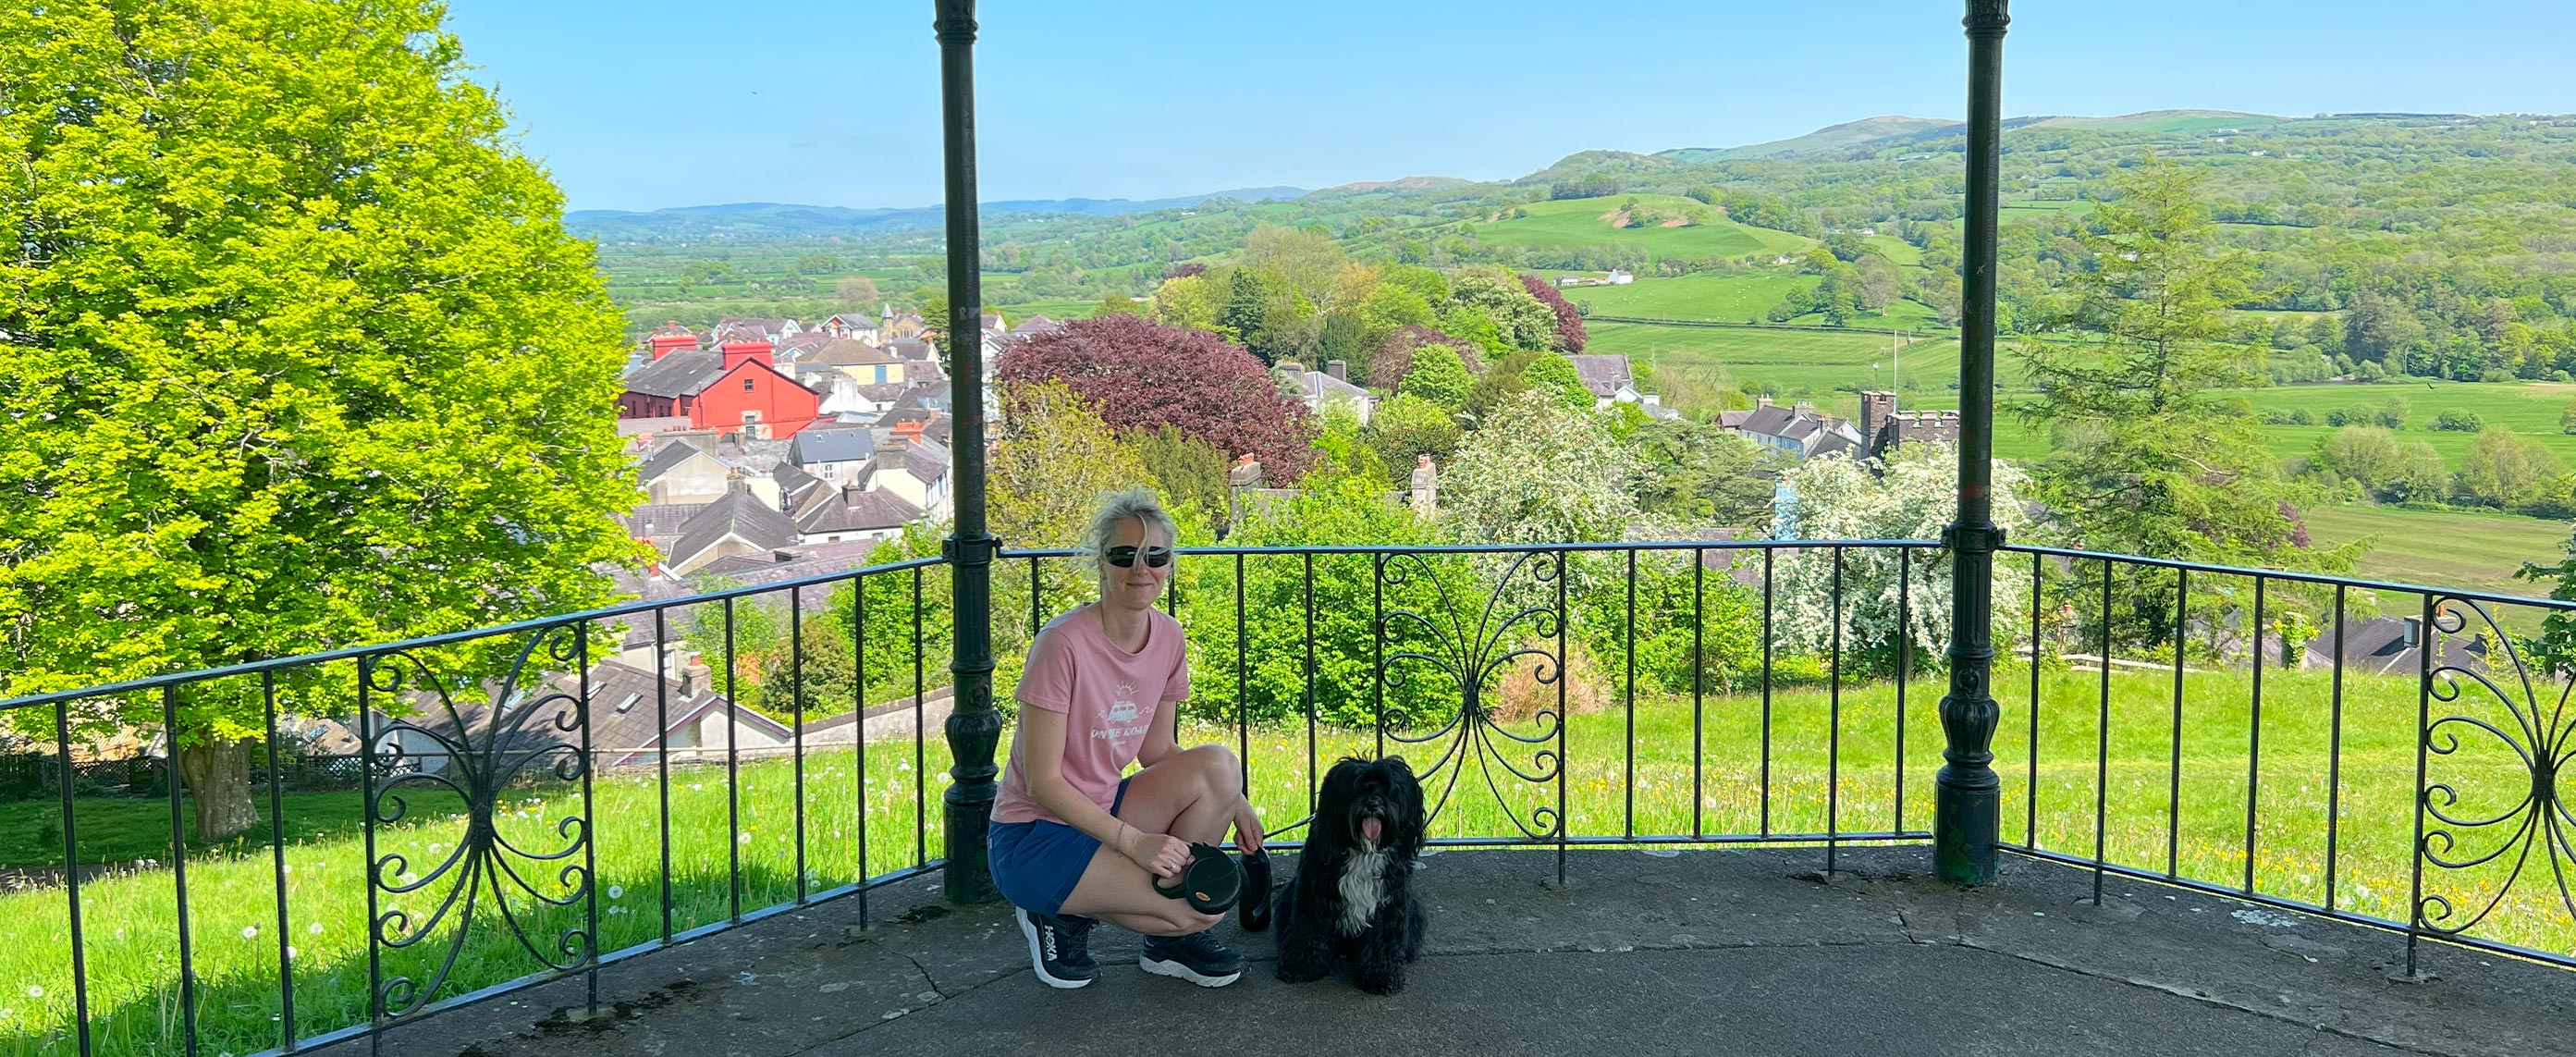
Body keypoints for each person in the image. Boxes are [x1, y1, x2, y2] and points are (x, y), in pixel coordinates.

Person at [987, 487, 1264, 989]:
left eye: (1155, 555)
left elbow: (1155, 750)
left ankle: (1164, 946)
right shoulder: (1062, 644)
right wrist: (1135, 844)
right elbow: (1044, 782)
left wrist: (1237, 801)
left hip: (1101, 810)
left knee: (1220, 766)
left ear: (1169, 563)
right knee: (1192, 912)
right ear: (1101, 562)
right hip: (1033, 835)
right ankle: (1053, 912)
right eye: (1124, 555)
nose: (1142, 568)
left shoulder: (1169, 637)